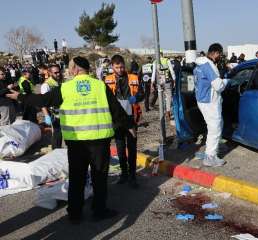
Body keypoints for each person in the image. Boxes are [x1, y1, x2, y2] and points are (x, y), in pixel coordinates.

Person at [7, 56, 133, 223]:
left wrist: (20, 97)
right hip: (99, 141)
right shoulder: (100, 86)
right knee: (99, 177)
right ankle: (99, 210)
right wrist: (130, 126)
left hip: (76, 142)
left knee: (77, 178)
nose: (68, 70)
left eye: (70, 67)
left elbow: (42, 100)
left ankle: (75, 214)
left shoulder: (66, 88)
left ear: (75, 69)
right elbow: (116, 110)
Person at [105, 55, 143, 188]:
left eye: (121, 66)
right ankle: (124, 174)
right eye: (117, 67)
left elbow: (142, 93)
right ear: (112, 67)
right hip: (116, 119)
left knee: (132, 148)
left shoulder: (133, 77)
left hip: (131, 117)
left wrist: (136, 97)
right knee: (120, 148)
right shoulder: (107, 79)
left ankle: (133, 175)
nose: (120, 69)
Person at [194, 43, 229, 167]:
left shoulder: (199, 64)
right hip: (209, 102)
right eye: (219, 54)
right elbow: (218, 86)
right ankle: (210, 157)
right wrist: (226, 81)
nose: (220, 57)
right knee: (214, 128)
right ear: (215, 53)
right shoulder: (207, 65)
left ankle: (213, 150)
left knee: (214, 126)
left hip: (203, 100)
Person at [41, 64, 63, 149]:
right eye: (55, 73)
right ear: (50, 73)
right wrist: (46, 115)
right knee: (57, 134)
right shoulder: (46, 85)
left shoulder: (59, 82)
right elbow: (42, 102)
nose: (58, 74)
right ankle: (55, 151)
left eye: (59, 72)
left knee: (61, 134)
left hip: (61, 112)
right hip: (53, 114)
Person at [151, 51, 176, 121]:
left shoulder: (155, 62)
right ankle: (168, 111)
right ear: (162, 54)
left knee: (161, 96)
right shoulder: (166, 60)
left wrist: (152, 82)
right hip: (167, 81)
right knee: (168, 97)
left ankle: (163, 111)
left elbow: (153, 73)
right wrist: (174, 79)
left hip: (159, 82)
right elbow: (171, 70)